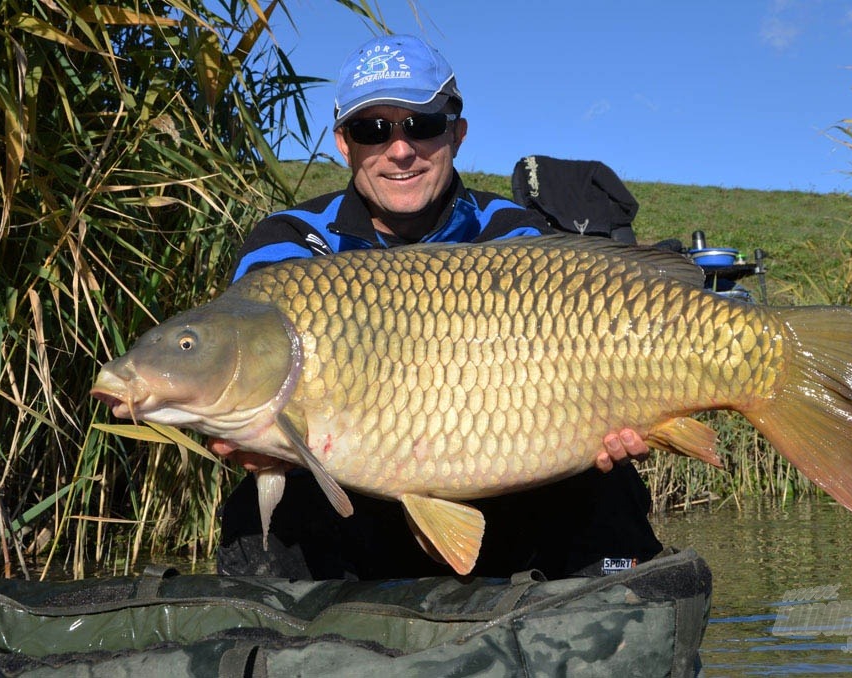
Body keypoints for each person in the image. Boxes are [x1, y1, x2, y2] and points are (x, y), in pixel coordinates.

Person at [213, 34, 661, 581]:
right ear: (342, 143)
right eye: (372, 129)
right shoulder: (289, 247)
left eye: (421, 125)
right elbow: (242, 370)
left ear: (458, 132)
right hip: (350, 508)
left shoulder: (512, 234)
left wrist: (625, 416)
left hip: (512, 492)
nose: (400, 150)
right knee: (260, 518)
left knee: (604, 486)